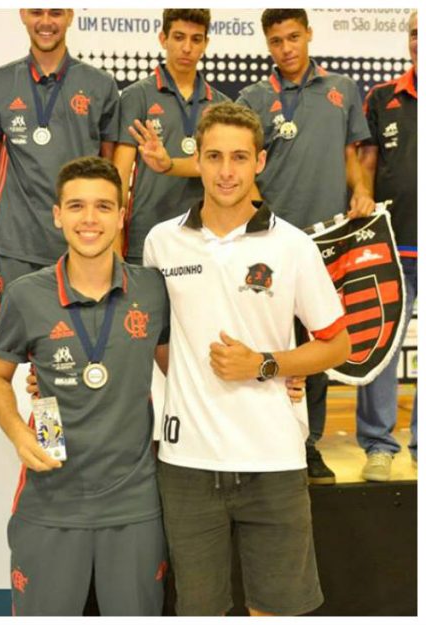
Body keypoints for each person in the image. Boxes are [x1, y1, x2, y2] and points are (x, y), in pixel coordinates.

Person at [144, 102, 350, 615]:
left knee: (276, 612)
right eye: (214, 156)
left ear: (260, 161)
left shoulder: (293, 245)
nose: (227, 171)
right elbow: (153, 341)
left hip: (273, 459)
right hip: (187, 464)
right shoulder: (162, 243)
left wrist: (264, 364)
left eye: (239, 157)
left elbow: (336, 344)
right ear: (198, 159)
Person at [0, 156, 170, 615]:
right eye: (77, 206)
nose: (90, 219)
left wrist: (278, 376)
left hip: (133, 504)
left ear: (122, 215)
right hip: (50, 502)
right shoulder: (27, 295)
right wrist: (19, 432)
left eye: (104, 207)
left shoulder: (152, 289)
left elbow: (184, 368)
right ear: (57, 214)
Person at [236, 9, 373, 484]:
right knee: (271, 343)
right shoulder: (254, 97)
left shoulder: (343, 90)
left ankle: (309, 443)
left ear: (309, 34)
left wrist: (361, 190)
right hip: (270, 241)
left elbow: (351, 154)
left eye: (293, 37)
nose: (286, 48)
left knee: (318, 344)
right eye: (276, 41)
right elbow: (246, 166)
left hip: (329, 241)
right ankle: (267, 440)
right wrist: (257, 217)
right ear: (267, 45)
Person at [0, 8, 119, 296]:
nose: (46, 22)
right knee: (17, 340)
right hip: (15, 246)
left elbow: (111, 171)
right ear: (22, 14)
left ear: (70, 16)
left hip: (81, 241)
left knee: (79, 337)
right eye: (37, 12)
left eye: (55, 13)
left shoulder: (100, 85)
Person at [112, 8, 230, 263]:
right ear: (163, 39)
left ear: (206, 43)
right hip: (146, 233)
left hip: (205, 237)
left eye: (196, 39)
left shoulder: (222, 104)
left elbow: (222, 169)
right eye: (178, 37)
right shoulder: (137, 96)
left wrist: (169, 165)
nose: (187, 48)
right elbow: (120, 174)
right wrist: (114, 237)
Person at [356, 9, 418, 480]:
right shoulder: (381, 97)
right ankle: (379, 444)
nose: (419, 42)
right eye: (415, 33)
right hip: (396, 246)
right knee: (382, 344)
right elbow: (367, 167)